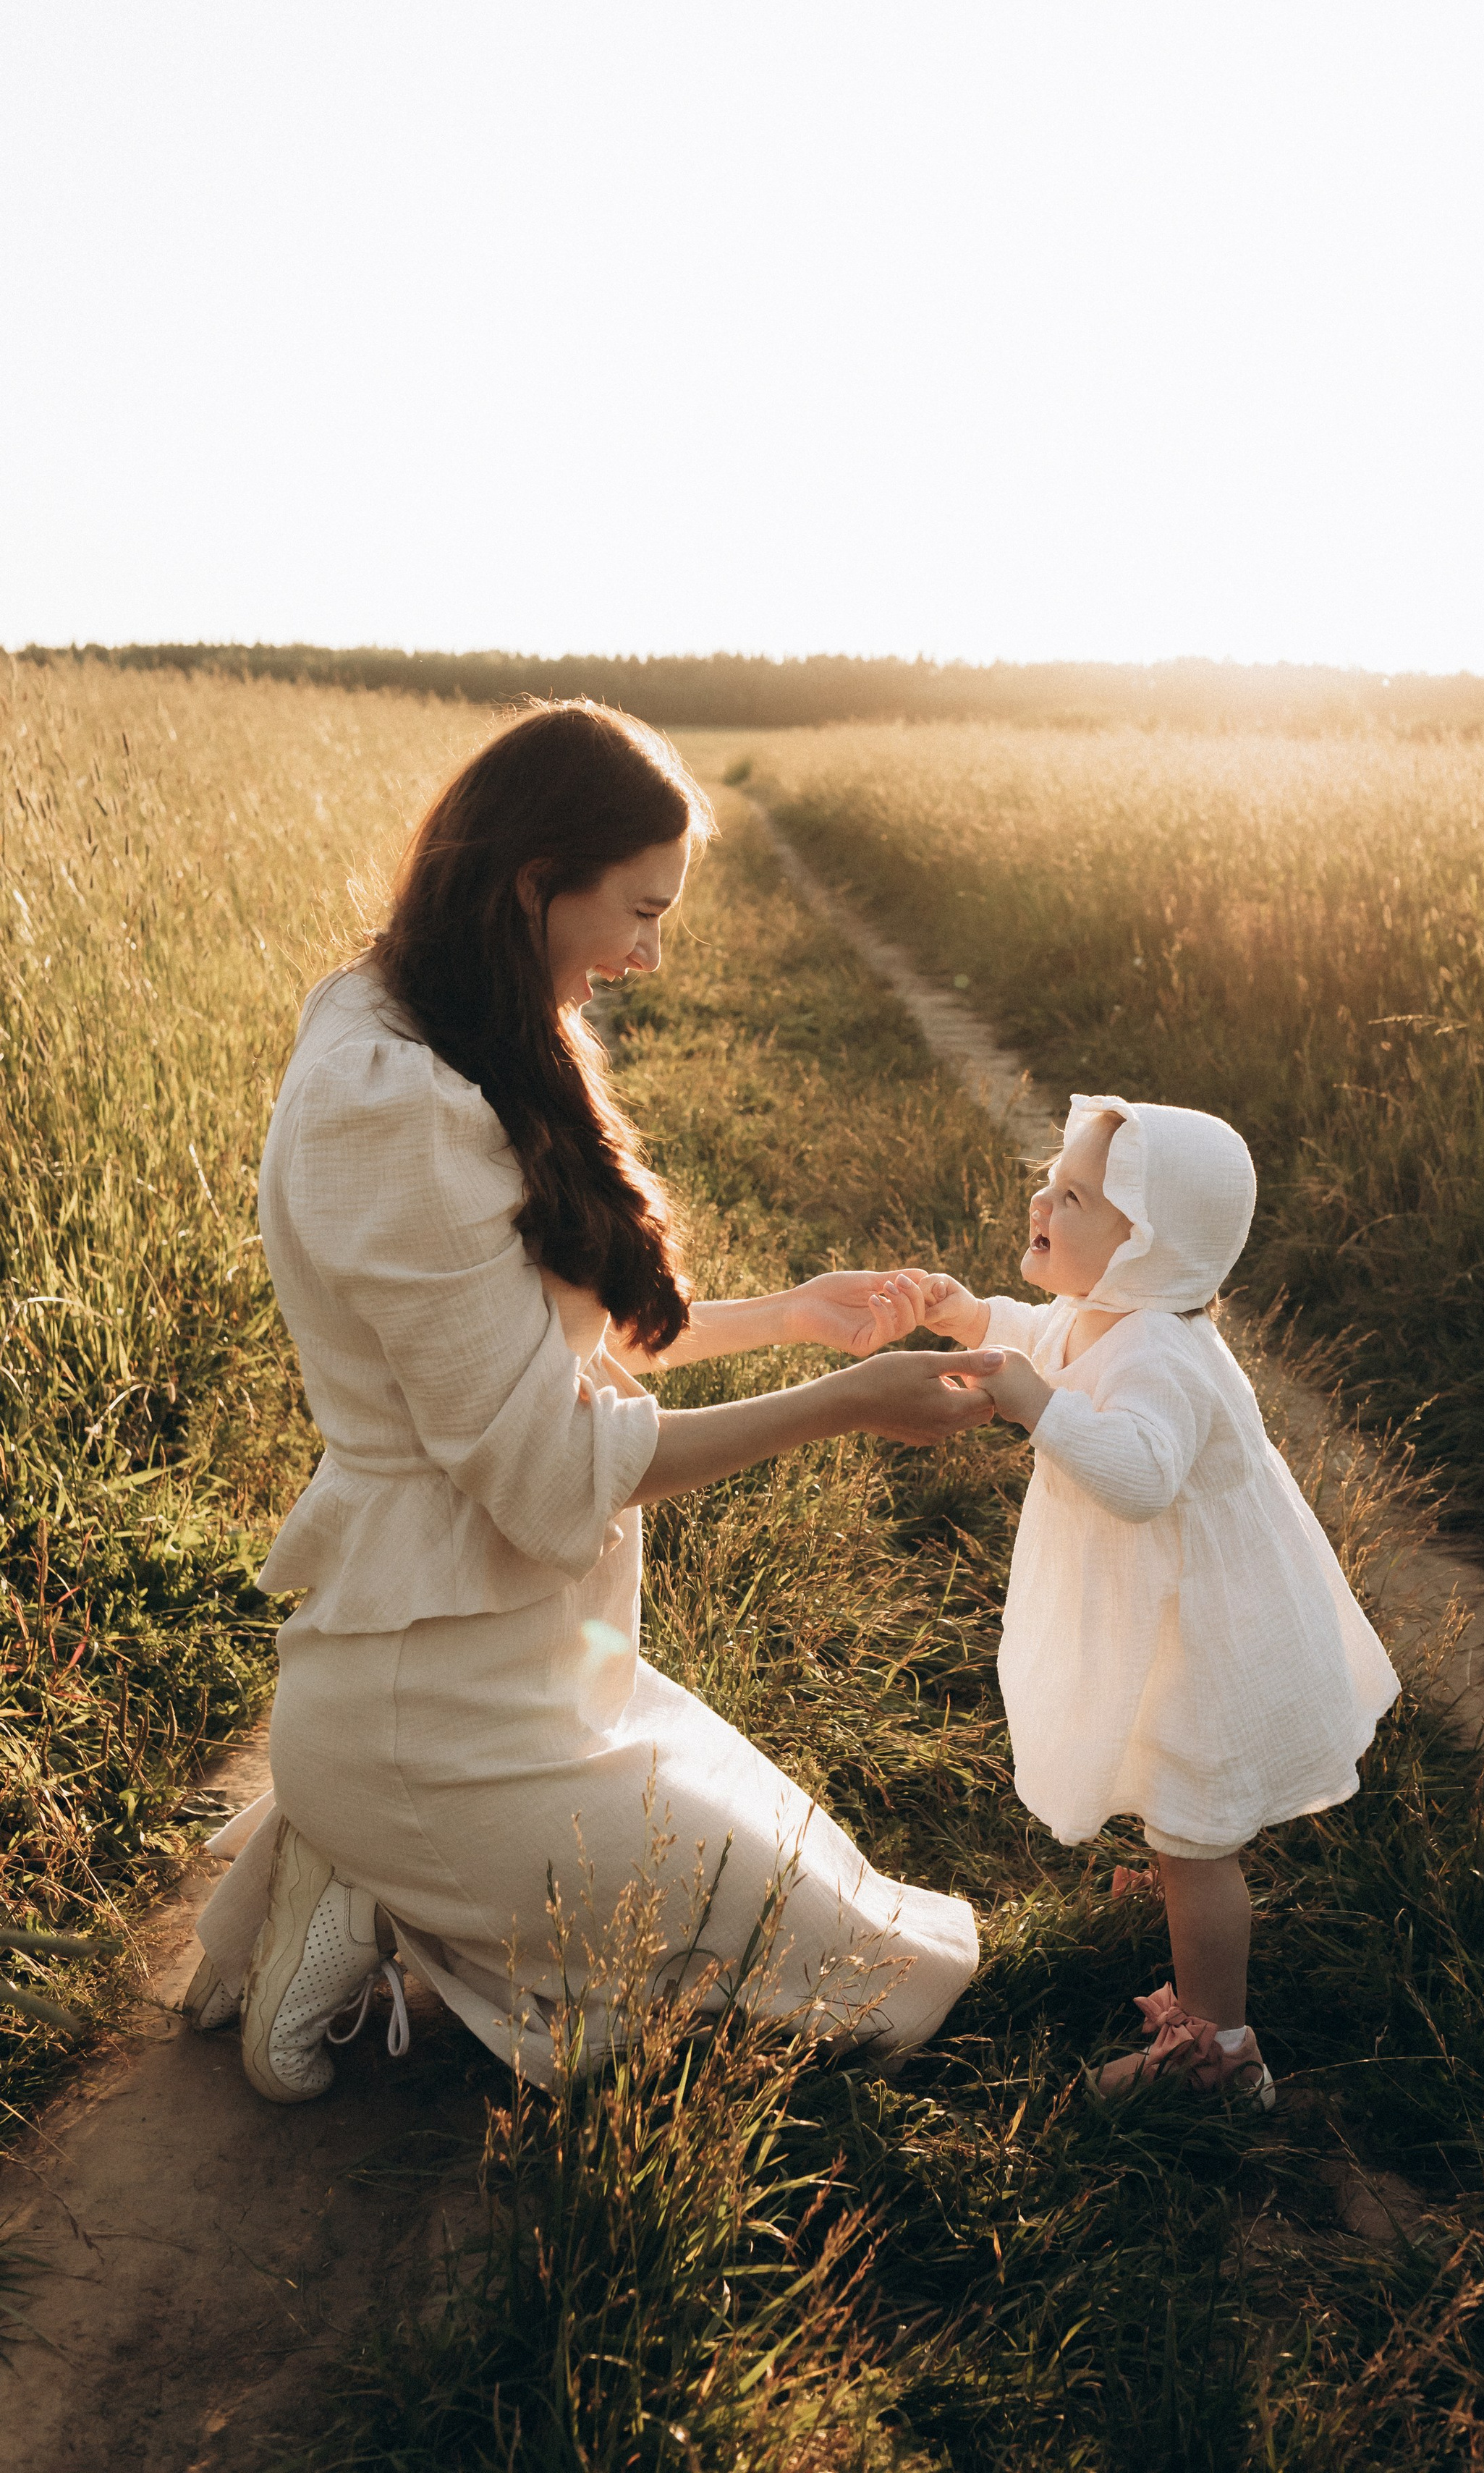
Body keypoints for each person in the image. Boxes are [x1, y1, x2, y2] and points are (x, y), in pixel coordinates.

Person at [190, 701, 999, 2101]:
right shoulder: (391, 1098)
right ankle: (373, 1853)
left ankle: (378, 1870)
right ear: (533, 884)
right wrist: (846, 1399)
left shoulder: (464, 1020)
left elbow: (538, 1333)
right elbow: (551, 1463)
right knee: (870, 1990)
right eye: (642, 911)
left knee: (869, 1925)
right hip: (429, 1693)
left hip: (530, 1665)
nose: (649, 956)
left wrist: (790, 1315)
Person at [919, 1095, 1400, 2102]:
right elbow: (1051, 1335)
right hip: (1164, 1611)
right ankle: (1177, 1903)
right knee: (1157, 1771)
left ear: (1143, 1248)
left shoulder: (1164, 1354)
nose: (1041, 1200)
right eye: (1053, 1182)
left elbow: (1139, 1476)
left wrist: (1035, 1406)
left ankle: (1216, 2053)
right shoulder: (1111, 1313)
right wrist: (973, 1320)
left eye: (1074, 1197)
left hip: (1205, 1633)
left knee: (1197, 1837)